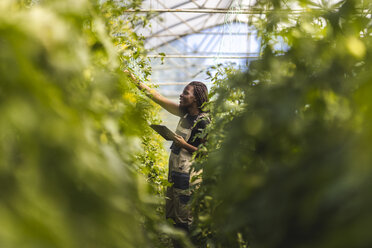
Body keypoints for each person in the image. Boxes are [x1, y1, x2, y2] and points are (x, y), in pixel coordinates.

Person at [126, 71, 209, 235]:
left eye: (186, 92)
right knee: (172, 216)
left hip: (189, 176)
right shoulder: (183, 113)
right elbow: (156, 96)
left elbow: (207, 153)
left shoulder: (204, 121)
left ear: (196, 99)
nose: (181, 94)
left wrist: (184, 144)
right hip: (176, 171)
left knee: (185, 220)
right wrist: (133, 79)